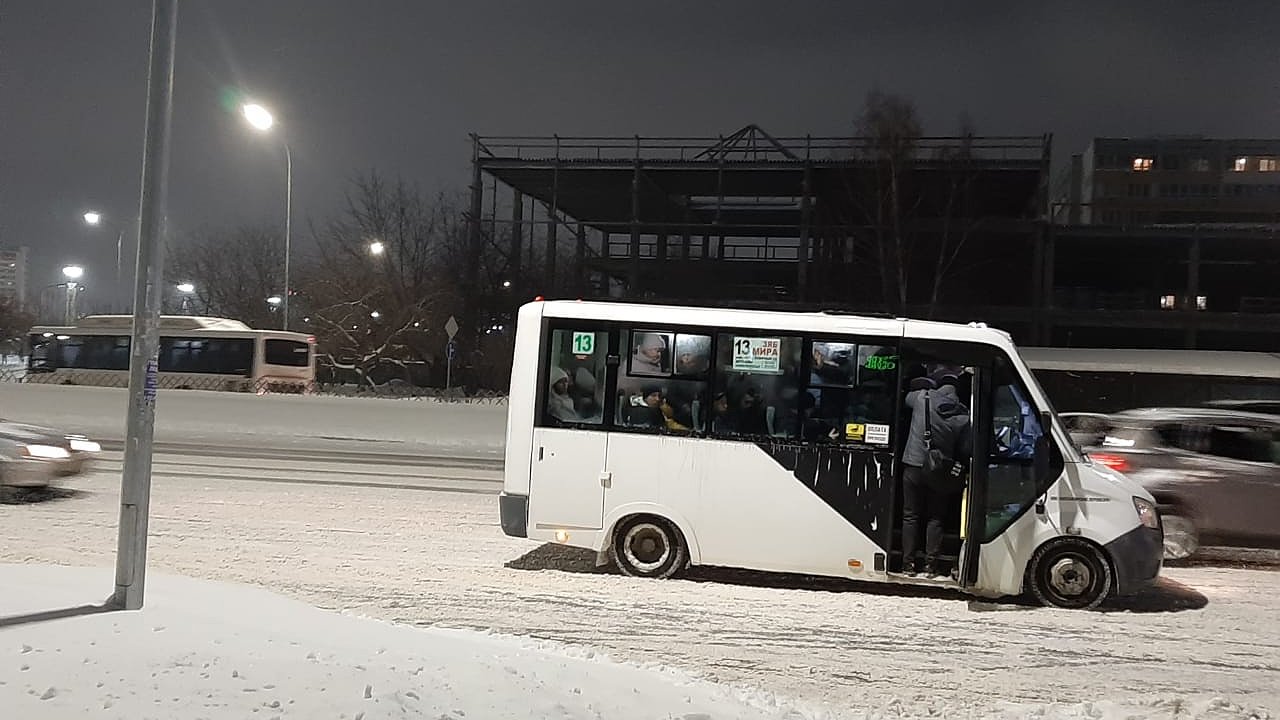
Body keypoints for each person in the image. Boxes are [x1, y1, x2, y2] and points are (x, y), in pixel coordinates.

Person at [900, 368, 971, 579]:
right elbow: (965, 449)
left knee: (910, 515)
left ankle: (908, 564)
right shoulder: (963, 416)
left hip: (913, 465)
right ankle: (931, 566)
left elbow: (905, 398)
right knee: (936, 518)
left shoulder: (922, 399)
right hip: (939, 471)